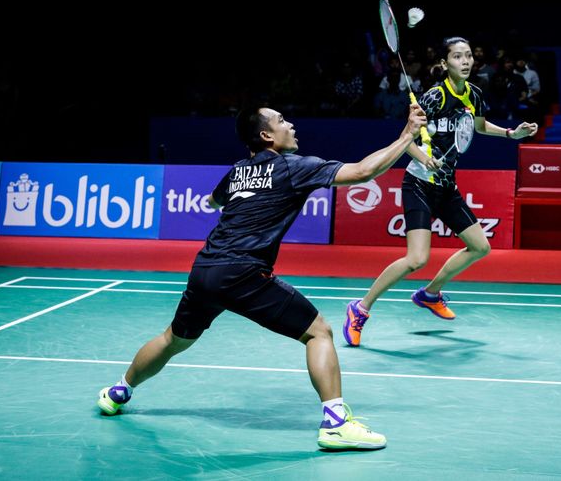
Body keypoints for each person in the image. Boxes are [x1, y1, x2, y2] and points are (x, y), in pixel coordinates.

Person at [97, 102, 427, 450]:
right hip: (244, 272)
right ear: (267, 135)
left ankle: (118, 391)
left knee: (173, 339)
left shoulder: (239, 170)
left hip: (205, 269)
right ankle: (335, 424)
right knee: (319, 333)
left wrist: (224, 202)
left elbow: (213, 200)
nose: (292, 124)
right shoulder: (292, 167)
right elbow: (362, 172)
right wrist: (407, 136)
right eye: (283, 120)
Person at [343, 37, 538, 347]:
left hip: (446, 185)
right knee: (416, 259)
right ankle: (360, 308)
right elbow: (406, 139)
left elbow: (479, 125)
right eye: (457, 56)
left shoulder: (474, 93)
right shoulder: (433, 97)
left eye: (469, 56)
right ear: (445, 63)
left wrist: (512, 133)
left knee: (480, 246)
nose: (465, 61)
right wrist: (425, 158)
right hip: (419, 183)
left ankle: (430, 293)